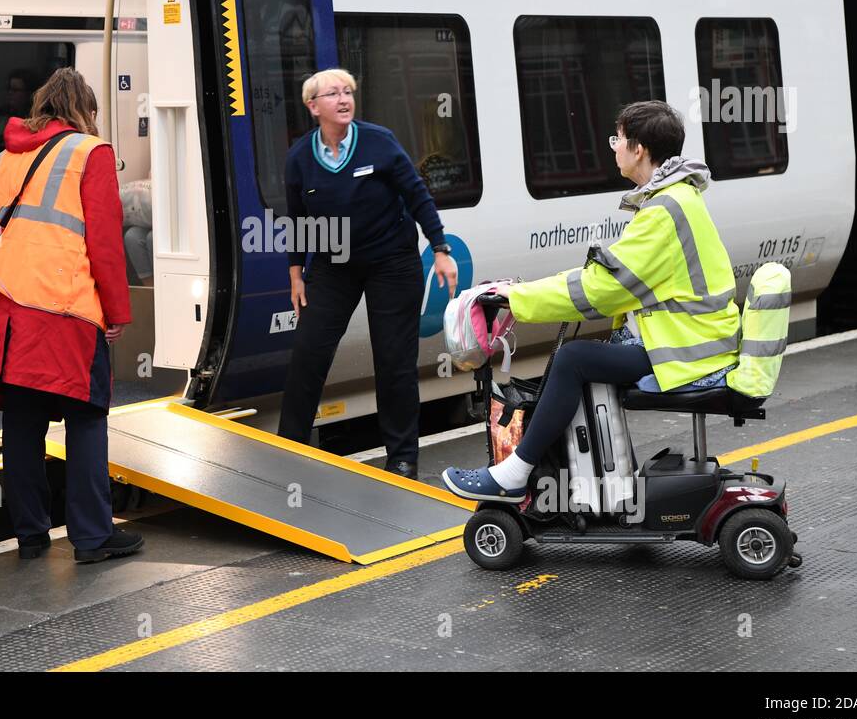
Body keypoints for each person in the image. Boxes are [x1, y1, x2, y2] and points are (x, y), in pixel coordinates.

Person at [442, 100, 741, 502]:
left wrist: (520, 298)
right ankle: (585, 483)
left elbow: (602, 289)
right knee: (582, 359)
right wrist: (529, 291)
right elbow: (613, 278)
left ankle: (515, 474)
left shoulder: (664, 209)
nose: (613, 146)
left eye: (618, 139)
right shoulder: (675, 199)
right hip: (693, 340)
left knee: (573, 360)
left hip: (687, 350)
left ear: (639, 149)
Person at [0, 67, 142, 563]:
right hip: (65, 307)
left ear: (41, 106)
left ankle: (32, 535)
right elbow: (104, 243)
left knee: (22, 422)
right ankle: (91, 536)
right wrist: (116, 311)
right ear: (85, 110)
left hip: (6, 308)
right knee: (86, 416)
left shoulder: (2, 160)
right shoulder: (90, 153)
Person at [278, 68, 459, 479]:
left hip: (391, 263)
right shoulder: (300, 157)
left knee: (393, 360)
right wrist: (295, 272)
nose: (343, 99)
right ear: (313, 106)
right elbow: (298, 218)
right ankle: (288, 447)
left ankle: (402, 457)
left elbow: (417, 194)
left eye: (348, 92)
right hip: (332, 266)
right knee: (308, 352)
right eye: (333, 94)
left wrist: (440, 248)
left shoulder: (378, 141)